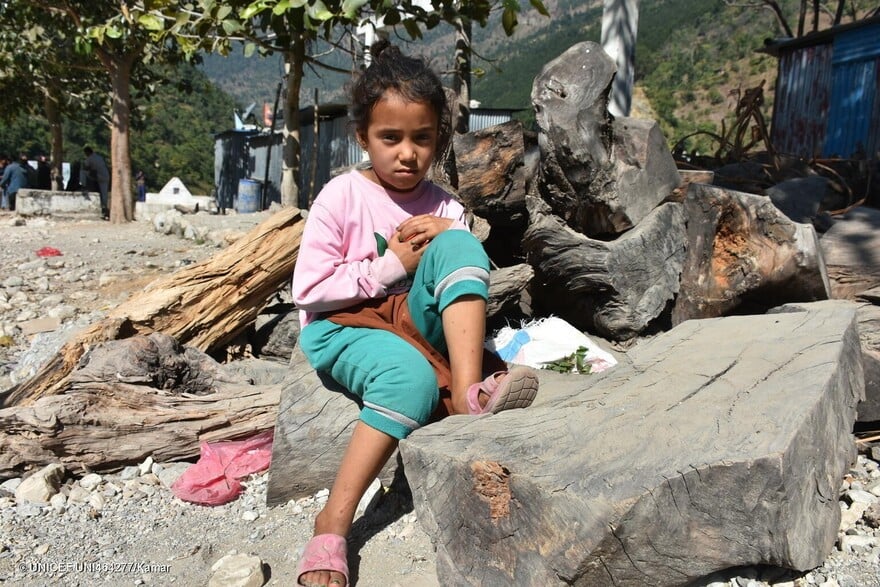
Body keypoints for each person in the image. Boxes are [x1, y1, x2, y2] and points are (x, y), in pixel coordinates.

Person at [290, 40, 539, 587]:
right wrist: (389, 266)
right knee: (411, 383)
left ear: (438, 140)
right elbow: (307, 289)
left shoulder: (442, 204)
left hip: (411, 322)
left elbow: (460, 270)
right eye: (391, 138)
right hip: (345, 324)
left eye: (422, 139)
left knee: (460, 243)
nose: (407, 153)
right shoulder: (341, 196)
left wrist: (454, 230)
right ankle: (333, 522)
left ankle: (468, 394)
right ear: (363, 137)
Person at [83, 146, 110, 217]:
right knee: (104, 194)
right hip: (106, 176)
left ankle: (104, 208)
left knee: (84, 173)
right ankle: (104, 207)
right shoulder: (99, 157)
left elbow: (85, 167)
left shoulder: (89, 159)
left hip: (99, 177)